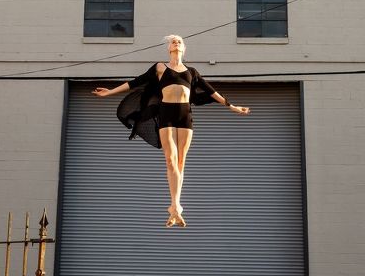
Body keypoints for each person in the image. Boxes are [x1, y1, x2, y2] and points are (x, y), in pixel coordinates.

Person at [92, 34, 250, 228]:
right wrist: (110, 92)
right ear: (169, 48)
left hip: (185, 114)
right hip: (166, 113)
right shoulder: (160, 67)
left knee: (181, 162)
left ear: (183, 48)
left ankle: (176, 206)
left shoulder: (192, 71)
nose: (176, 43)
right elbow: (136, 82)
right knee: (170, 159)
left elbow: (210, 91)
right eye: (173, 41)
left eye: (179, 41)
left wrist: (231, 106)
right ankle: (175, 205)